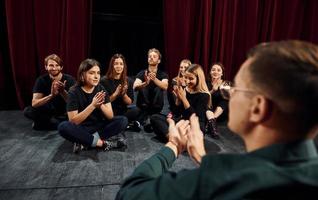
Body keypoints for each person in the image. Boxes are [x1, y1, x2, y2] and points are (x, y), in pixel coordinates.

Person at [116, 40, 318, 199]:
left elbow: (130, 193)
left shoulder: (223, 179)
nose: (229, 94)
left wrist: (172, 146)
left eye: (236, 88)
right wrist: (204, 160)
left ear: (258, 108)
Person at [58, 58, 128, 153]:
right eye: (91, 73)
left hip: (98, 127)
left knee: (122, 120)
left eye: (98, 73)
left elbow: (110, 116)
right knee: (63, 127)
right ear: (82, 75)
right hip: (82, 128)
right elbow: (73, 121)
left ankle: (86, 142)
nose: (96, 76)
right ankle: (101, 143)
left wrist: (101, 106)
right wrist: (93, 105)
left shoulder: (101, 89)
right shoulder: (73, 91)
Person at [150, 64, 211, 142]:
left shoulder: (204, 95)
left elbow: (194, 117)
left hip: (195, 126)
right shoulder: (185, 89)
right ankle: (175, 139)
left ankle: (173, 139)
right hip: (182, 122)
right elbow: (177, 112)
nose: (187, 81)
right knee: (155, 117)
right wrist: (178, 98)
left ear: (199, 79)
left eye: (191, 78)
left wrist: (184, 99)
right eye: (186, 77)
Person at [23, 54, 75, 130]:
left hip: (65, 111)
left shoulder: (70, 79)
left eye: (57, 65)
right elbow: (34, 104)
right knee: (28, 111)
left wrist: (62, 91)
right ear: (46, 67)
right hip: (49, 111)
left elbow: (74, 103)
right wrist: (51, 95)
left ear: (61, 67)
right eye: (51, 65)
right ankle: (56, 123)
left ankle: (48, 123)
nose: (54, 68)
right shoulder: (41, 80)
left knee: (74, 114)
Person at [100, 54, 141, 132]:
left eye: (121, 64)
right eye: (116, 64)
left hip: (123, 111)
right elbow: (103, 102)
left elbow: (129, 102)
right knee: (107, 117)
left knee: (137, 110)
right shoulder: (104, 81)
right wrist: (115, 94)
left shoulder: (128, 80)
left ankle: (123, 123)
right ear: (112, 65)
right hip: (110, 111)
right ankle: (126, 124)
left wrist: (123, 94)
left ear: (124, 66)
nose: (119, 66)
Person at [133, 48, 168, 132]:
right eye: (150, 56)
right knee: (143, 86)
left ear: (159, 61)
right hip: (143, 105)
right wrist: (145, 83)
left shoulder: (162, 74)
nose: (151, 58)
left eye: (154, 56)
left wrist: (154, 79)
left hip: (156, 106)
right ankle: (147, 119)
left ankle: (146, 119)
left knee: (159, 87)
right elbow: (135, 87)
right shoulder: (142, 73)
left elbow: (165, 86)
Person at [205, 62, 229, 138]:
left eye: (218, 70)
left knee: (224, 101)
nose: (215, 72)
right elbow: (203, 97)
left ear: (222, 73)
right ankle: (212, 126)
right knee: (205, 102)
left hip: (221, 113)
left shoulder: (226, 84)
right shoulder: (205, 83)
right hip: (208, 111)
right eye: (213, 70)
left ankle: (211, 121)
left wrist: (220, 88)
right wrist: (213, 90)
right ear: (210, 72)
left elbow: (228, 98)